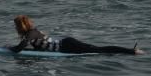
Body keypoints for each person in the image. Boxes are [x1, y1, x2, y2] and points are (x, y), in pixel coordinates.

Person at [9, 15, 144, 55]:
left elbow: (19, 48)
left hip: (68, 46)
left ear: (21, 26)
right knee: (98, 49)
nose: (15, 28)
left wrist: (8, 49)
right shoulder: (32, 33)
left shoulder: (31, 34)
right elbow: (28, 46)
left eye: (16, 26)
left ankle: (131, 51)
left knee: (99, 50)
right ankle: (131, 51)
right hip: (67, 43)